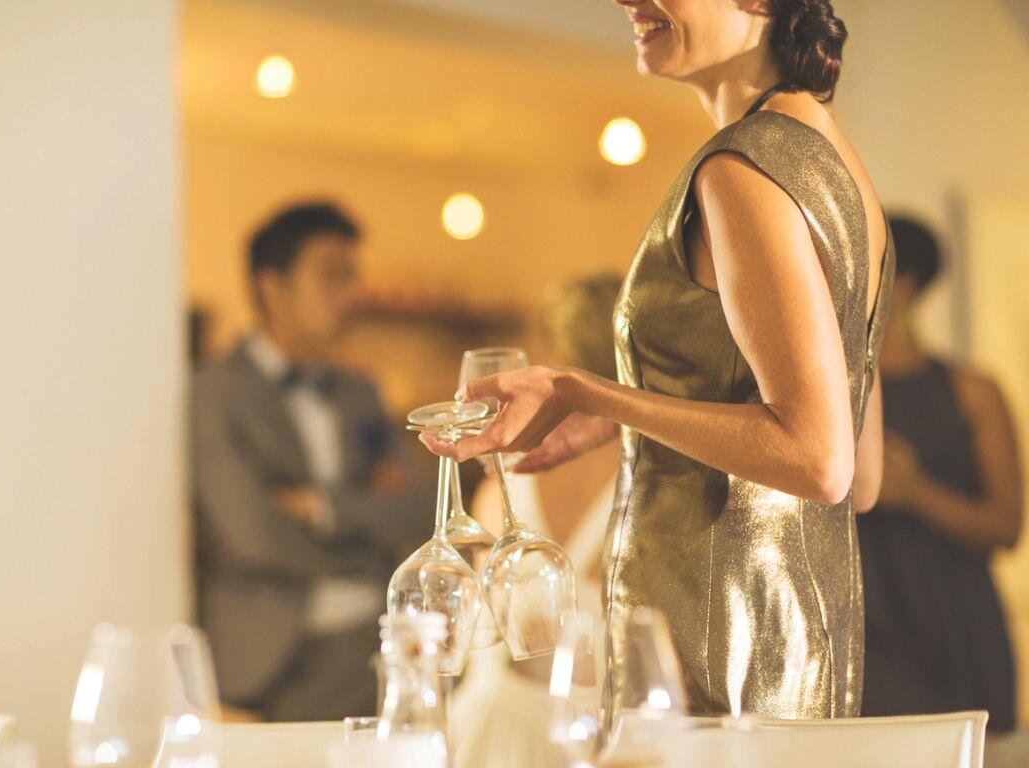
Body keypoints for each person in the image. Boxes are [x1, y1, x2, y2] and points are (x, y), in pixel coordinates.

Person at [423, 0, 893, 719]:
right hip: (801, 649)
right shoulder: (839, 166)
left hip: (712, 652)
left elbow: (819, 460)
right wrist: (637, 419)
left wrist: (589, 393)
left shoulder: (741, 170)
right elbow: (862, 476)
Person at [190, 202, 431, 721]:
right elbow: (251, 531)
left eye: (354, 276)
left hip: (374, 650)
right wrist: (367, 551)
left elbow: (420, 504)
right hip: (272, 660)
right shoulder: (215, 391)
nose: (353, 294)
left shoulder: (360, 391)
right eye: (332, 277)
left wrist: (325, 507)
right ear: (273, 287)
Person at [451, 274, 624, 768]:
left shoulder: (504, 480)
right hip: (598, 738)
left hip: (491, 732)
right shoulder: (649, 477)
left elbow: (483, 620)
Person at [857, 217, 1022, 731]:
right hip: (864, 628)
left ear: (902, 283)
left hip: (956, 622)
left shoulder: (973, 391)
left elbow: (1006, 526)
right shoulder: (834, 392)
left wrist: (915, 492)